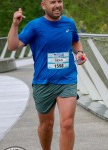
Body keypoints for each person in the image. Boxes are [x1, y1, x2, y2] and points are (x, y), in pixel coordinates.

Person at [8, 0, 86, 150]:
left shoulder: (69, 24)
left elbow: (76, 42)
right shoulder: (35, 26)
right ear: (43, 5)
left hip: (67, 80)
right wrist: (15, 25)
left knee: (67, 123)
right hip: (43, 82)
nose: (57, 5)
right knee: (46, 125)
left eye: (60, 1)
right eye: (53, 2)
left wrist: (80, 53)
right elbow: (13, 46)